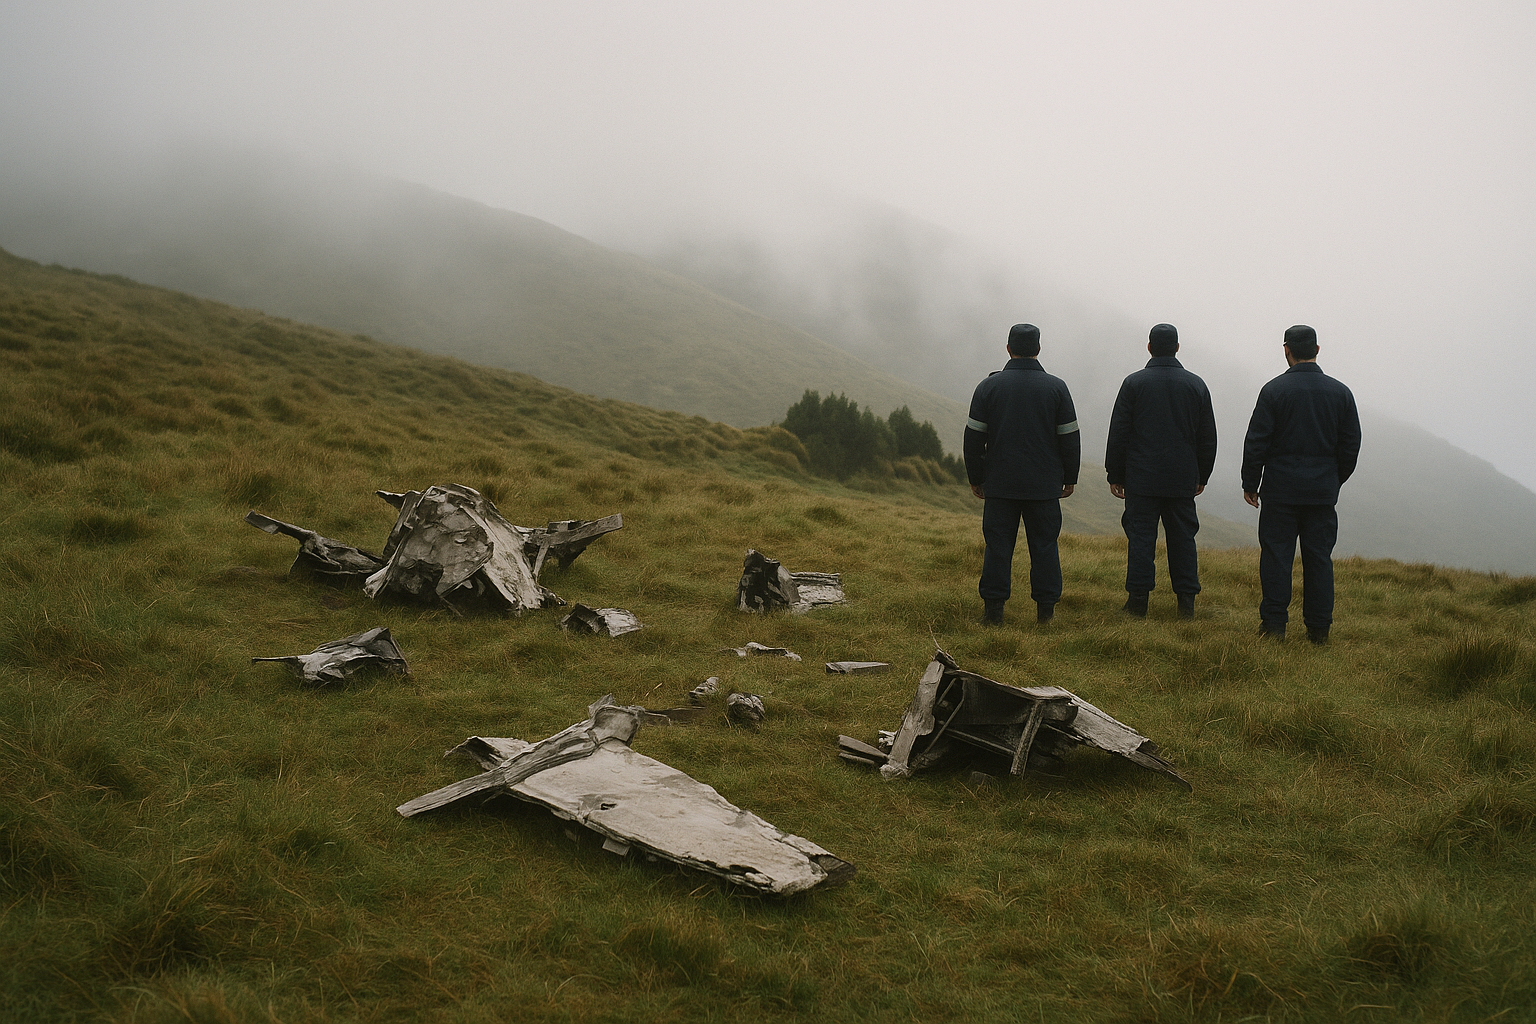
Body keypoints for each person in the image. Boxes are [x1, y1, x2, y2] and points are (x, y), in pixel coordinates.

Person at [1241, 324, 1362, 644]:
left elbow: (1257, 442)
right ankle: (1319, 630)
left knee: (1276, 557)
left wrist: (1251, 482)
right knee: (1319, 559)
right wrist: (1334, 479)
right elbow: (1351, 445)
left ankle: (1274, 626)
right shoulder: (1340, 393)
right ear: (1317, 350)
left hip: (1280, 490)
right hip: (1322, 493)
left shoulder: (1273, 390)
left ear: (1286, 350)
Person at [965, 323, 1081, 624]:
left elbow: (974, 438)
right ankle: (1045, 614)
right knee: (1044, 546)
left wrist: (976, 477)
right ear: (1039, 350)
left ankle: (993, 613)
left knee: (998, 547)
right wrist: (1070, 477)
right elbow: (1069, 437)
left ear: (1008, 349)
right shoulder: (1057, 387)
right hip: (1043, 486)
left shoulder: (988, 387)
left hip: (1000, 484)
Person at [1104, 323, 1217, 619]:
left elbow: (1119, 432)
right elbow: (1207, 436)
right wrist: (1201, 476)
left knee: (1141, 538)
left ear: (1149, 347)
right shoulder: (1196, 384)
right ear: (1177, 347)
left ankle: (1138, 602)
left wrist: (1115, 474)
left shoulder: (1133, 383)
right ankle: (1186, 604)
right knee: (1183, 538)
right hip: (1181, 478)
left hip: (1141, 477)